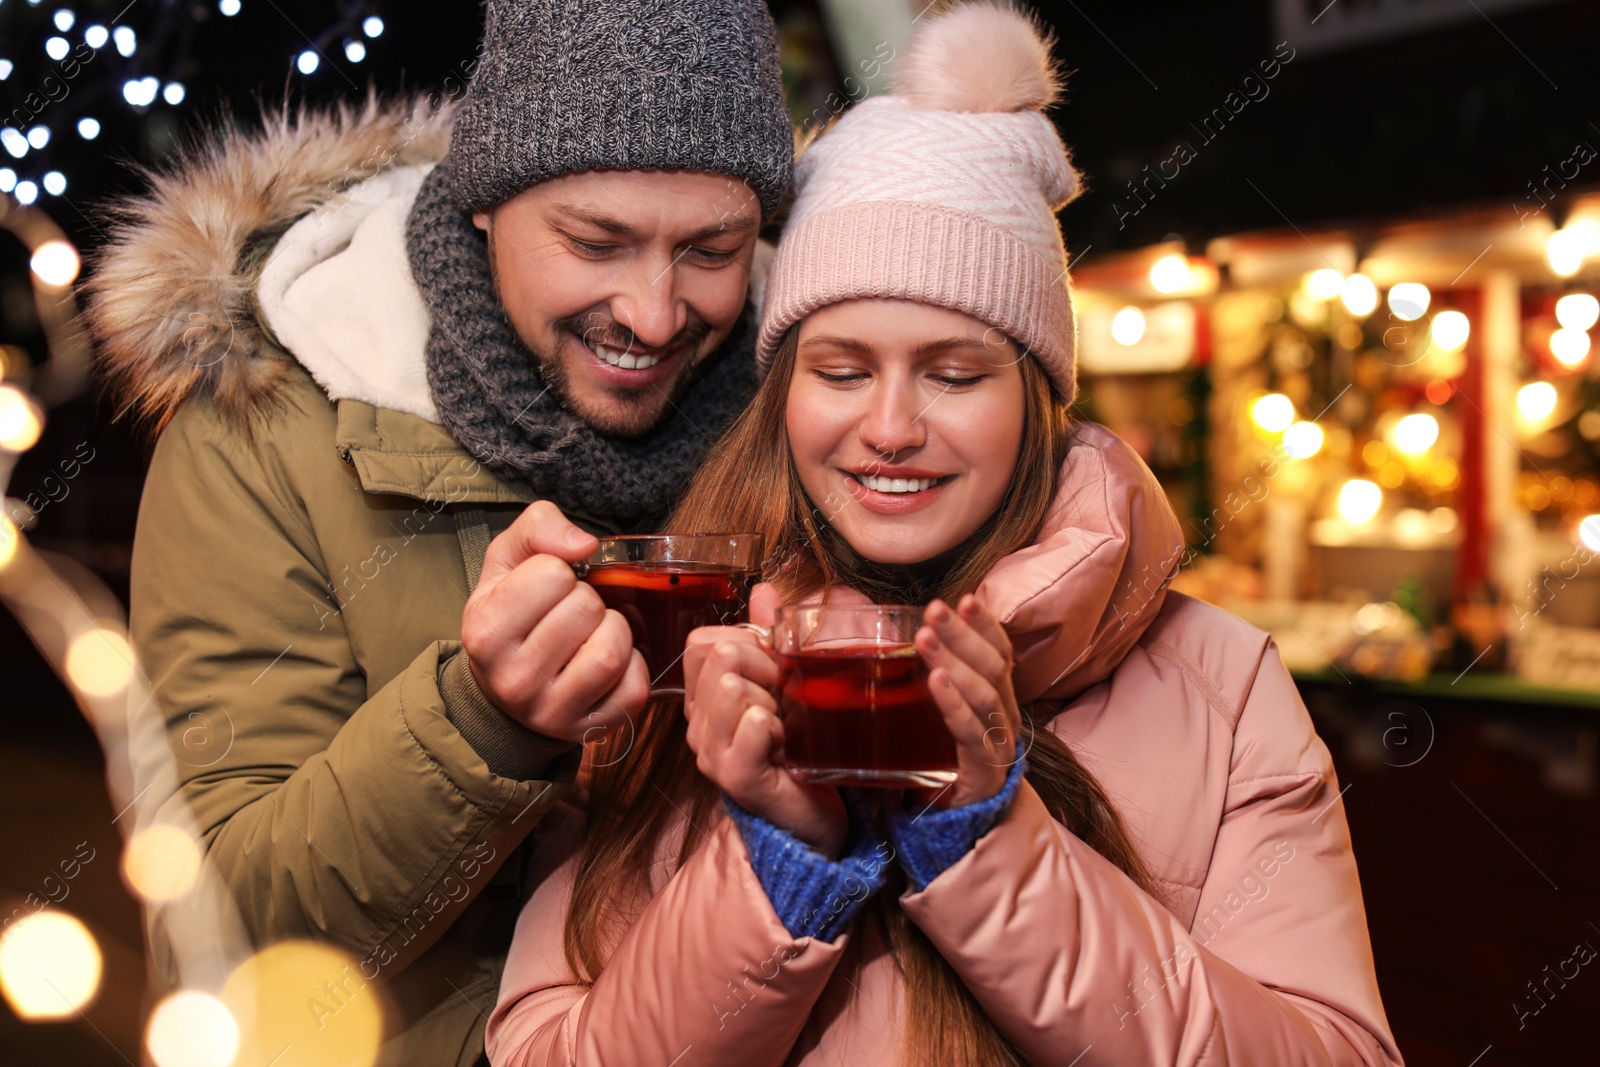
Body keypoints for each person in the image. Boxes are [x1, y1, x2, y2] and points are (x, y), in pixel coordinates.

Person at [487, 4, 1405, 1065]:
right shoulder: (676, 667)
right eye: (838, 370)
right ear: (781, 395)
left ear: (1036, 397)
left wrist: (981, 838)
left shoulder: (1223, 685)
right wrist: (775, 858)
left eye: (954, 373)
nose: (887, 427)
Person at [83, 1, 791, 1062]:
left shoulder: (814, 406)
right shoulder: (267, 430)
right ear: (479, 206)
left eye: (710, 249)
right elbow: (216, 929)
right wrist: (479, 725)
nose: (652, 312)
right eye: (595, 240)